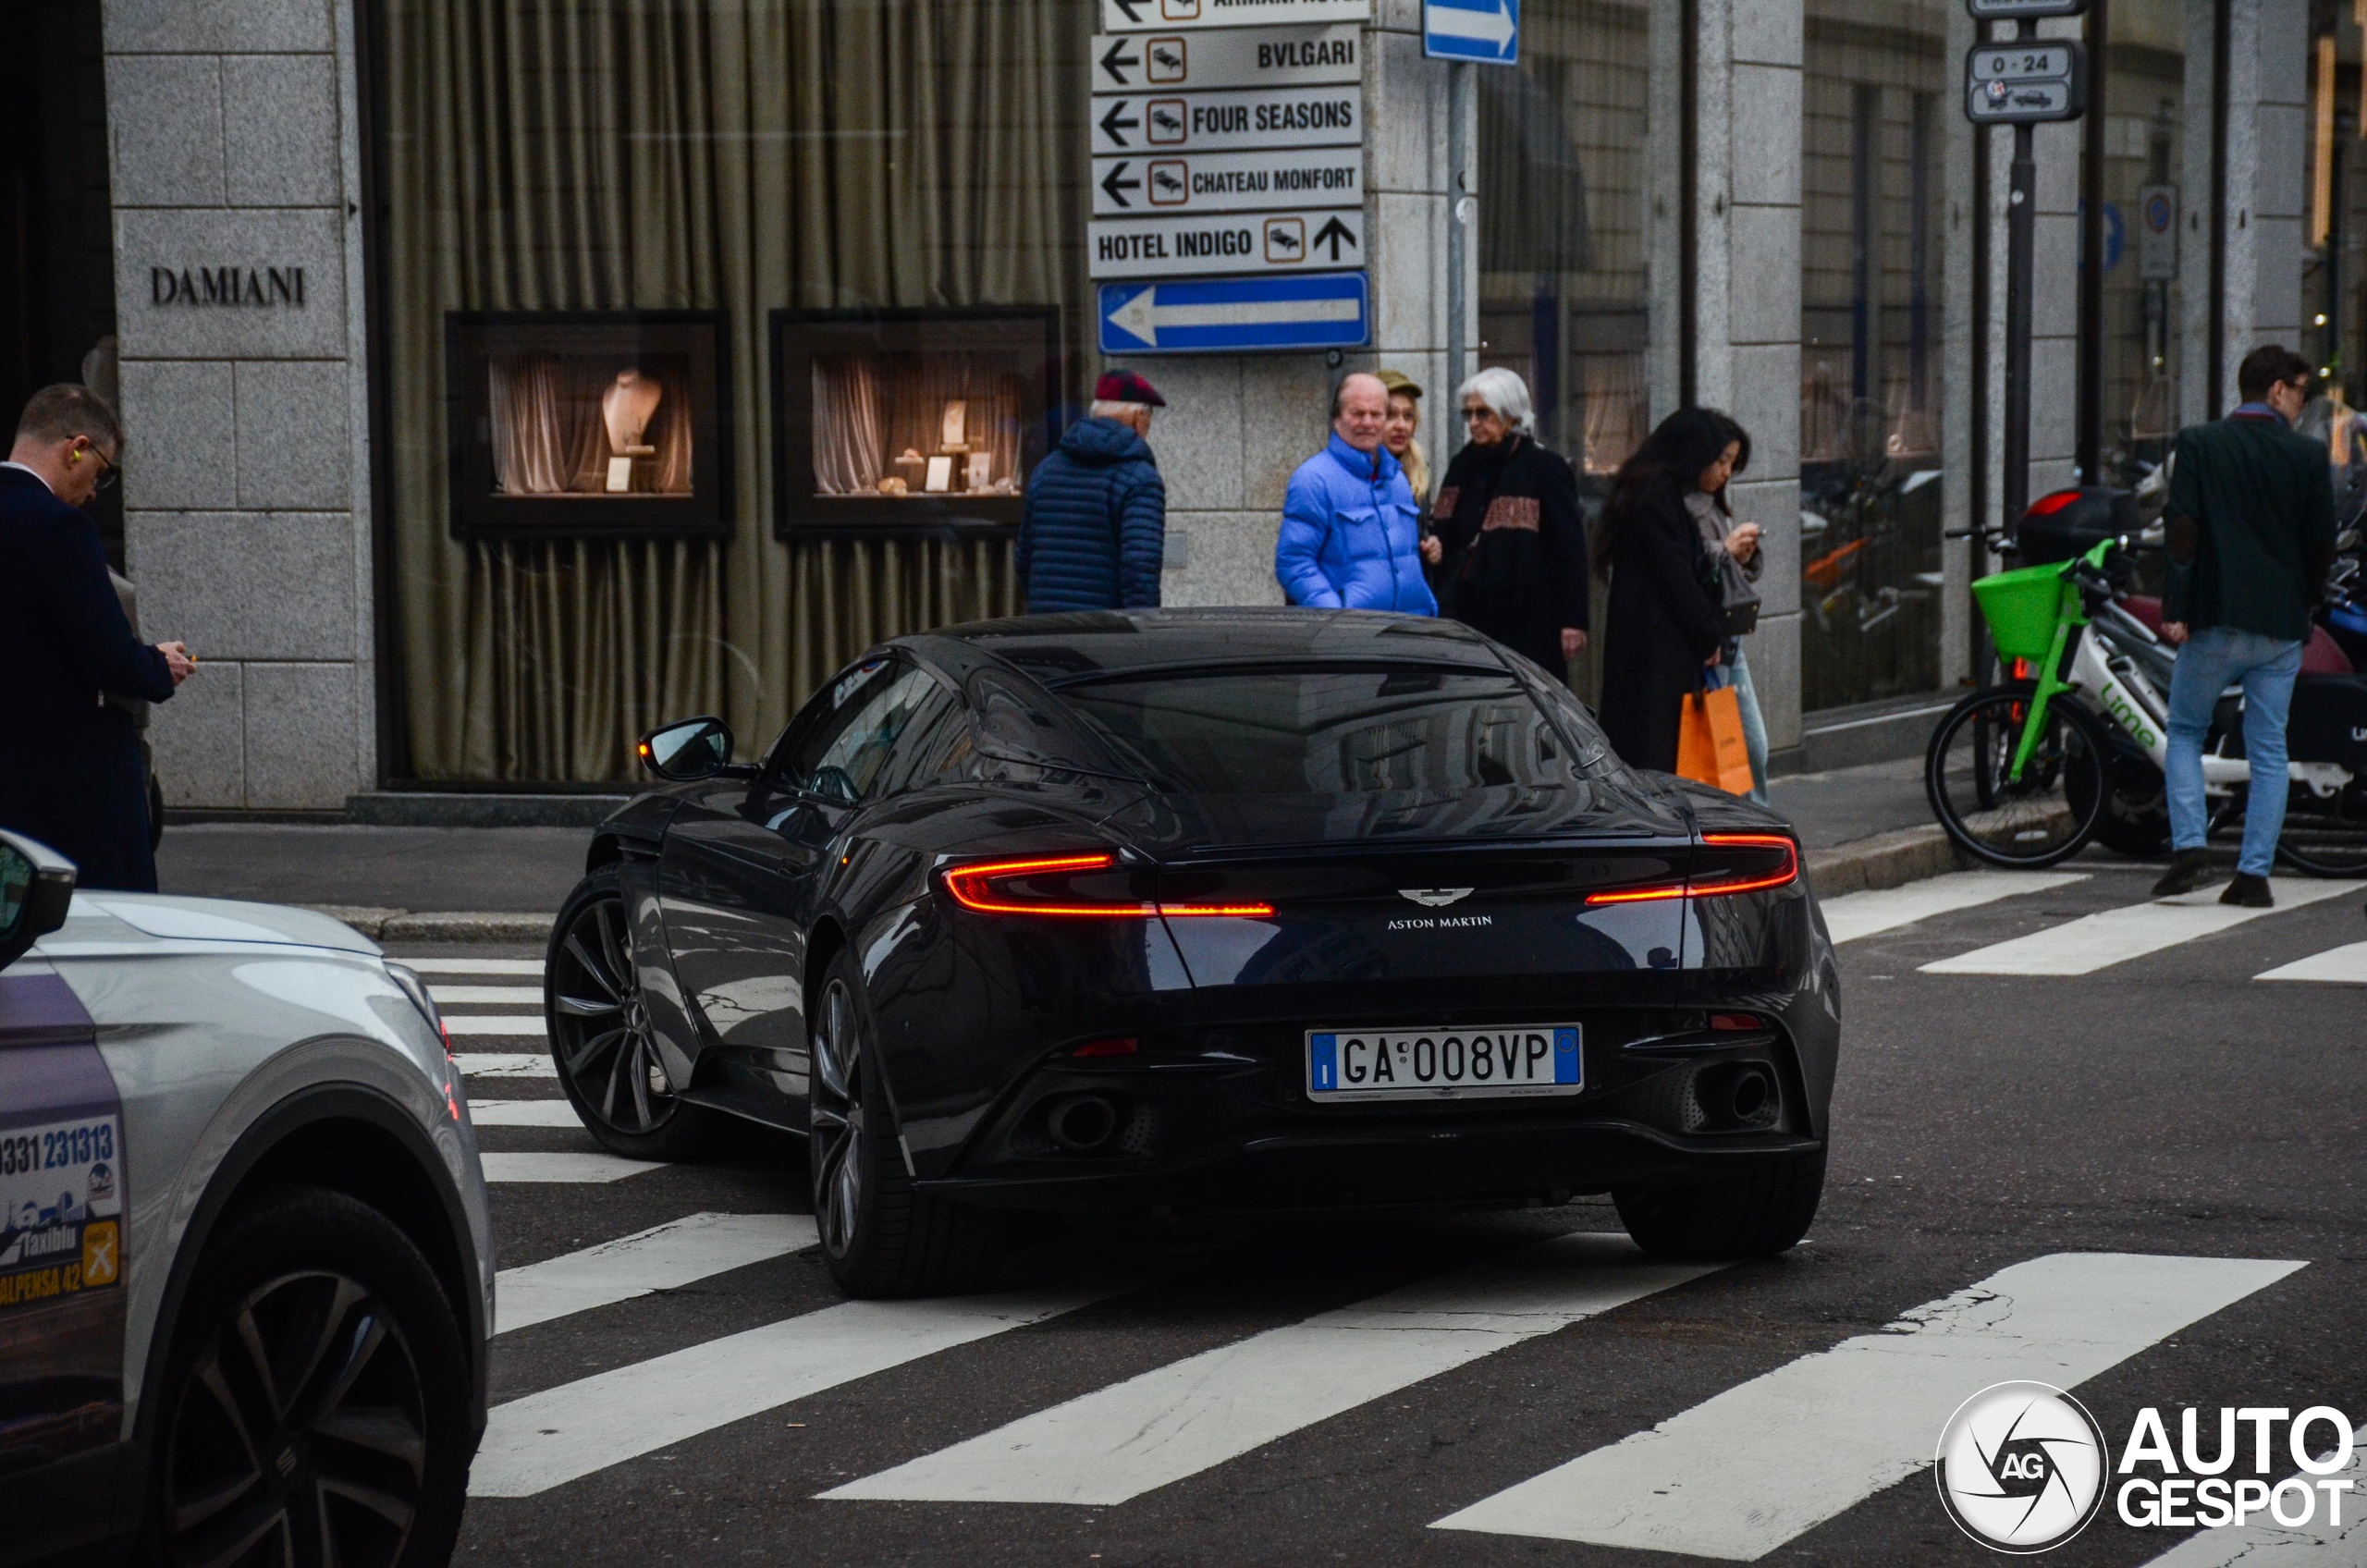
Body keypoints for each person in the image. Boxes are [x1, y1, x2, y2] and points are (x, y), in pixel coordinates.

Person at [2151, 345, 2336, 907]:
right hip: (2280, 626)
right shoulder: (2306, 457)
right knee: (2269, 750)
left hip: (2216, 616)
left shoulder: (2201, 444)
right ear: (2277, 390)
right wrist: (2307, 604)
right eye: (2301, 392)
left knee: (2185, 730)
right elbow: (2321, 544)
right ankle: (2254, 875)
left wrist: (2177, 606)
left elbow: (2183, 528)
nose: (2304, 405)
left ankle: (2189, 845)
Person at [0, 385, 193, 891]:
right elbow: (110, 658)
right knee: (103, 942)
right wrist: (157, 663)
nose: (92, 492)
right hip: (68, 792)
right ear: (77, 448)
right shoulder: (60, 529)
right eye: (101, 473)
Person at [1591, 407, 1736, 774]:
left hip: (1648, 639)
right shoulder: (1657, 493)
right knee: (1658, 752)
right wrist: (1708, 635)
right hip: (1657, 645)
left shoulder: (1647, 488)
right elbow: (1676, 574)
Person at [1425, 366, 1588, 677]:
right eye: (1468, 414)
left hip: (1531, 616)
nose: (1473, 423)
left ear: (1511, 415)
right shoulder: (1463, 465)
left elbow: (1568, 547)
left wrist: (1573, 621)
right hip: (1471, 615)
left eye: (1483, 413)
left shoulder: (1544, 467)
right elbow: (1446, 530)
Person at [1275, 372, 1437, 614]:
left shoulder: (1397, 479)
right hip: (1352, 638)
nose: (1368, 423)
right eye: (1357, 413)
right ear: (1337, 419)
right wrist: (1335, 615)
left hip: (1408, 630)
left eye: (1377, 414)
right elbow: (1293, 562)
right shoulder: (1313, 480)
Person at [1017, 369, 1167, 614]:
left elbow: (1024, 558)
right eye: (1148, 421)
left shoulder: (1046, 470)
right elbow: (1140, 568)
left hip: (1045, 627)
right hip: (1104, 635)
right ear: (1139, 418)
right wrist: (1144, 630)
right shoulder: (1140, 479)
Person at [1686, 412, 1771, 801]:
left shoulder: (1712, 505)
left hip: (1728, 637)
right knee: (1734, 749)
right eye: (1721, 461)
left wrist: (1743, 554)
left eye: (1732, 463)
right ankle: (1757, 829)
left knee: (1751, 747)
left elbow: (1728, 575)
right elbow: (1691, 565)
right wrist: (1727, 551)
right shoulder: (1684, 507)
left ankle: (1761, 825)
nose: (1726, 472)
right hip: (1709, 642)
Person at [1375, 369, 1429, 508]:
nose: (1401, 426)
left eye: (1408, 416)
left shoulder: (1418, 475)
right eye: (1390, 414)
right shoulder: (1358, 472)